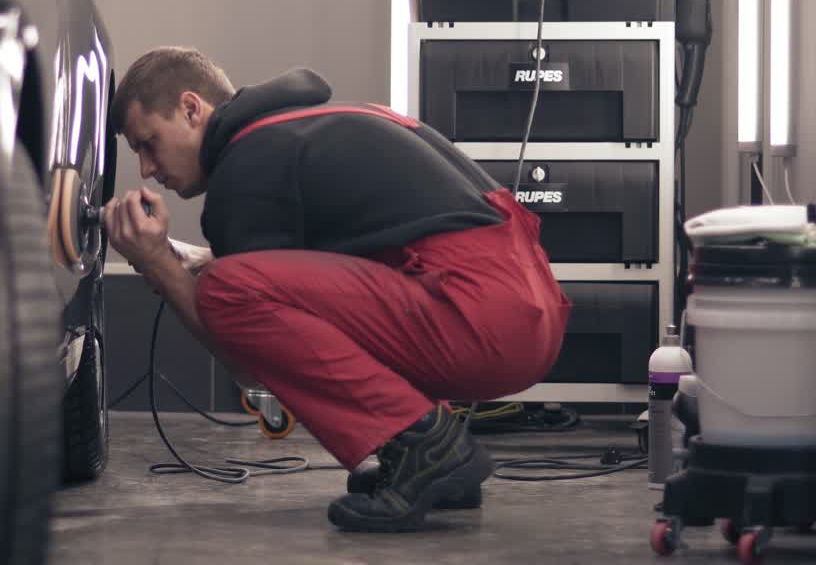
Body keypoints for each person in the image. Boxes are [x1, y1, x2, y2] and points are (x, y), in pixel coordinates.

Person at [100, 46, 570, 533]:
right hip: (525, 311)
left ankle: (425, 445)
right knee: (230, 278)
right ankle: (438, 471)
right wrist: (201, 258)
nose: (147, 170)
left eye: (148, 143)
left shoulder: (246, 167)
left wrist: (157, 264)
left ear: (192, 108)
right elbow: (342, 267)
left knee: (226, 291)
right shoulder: (296, 129)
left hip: (481, 316)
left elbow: (244, 357)